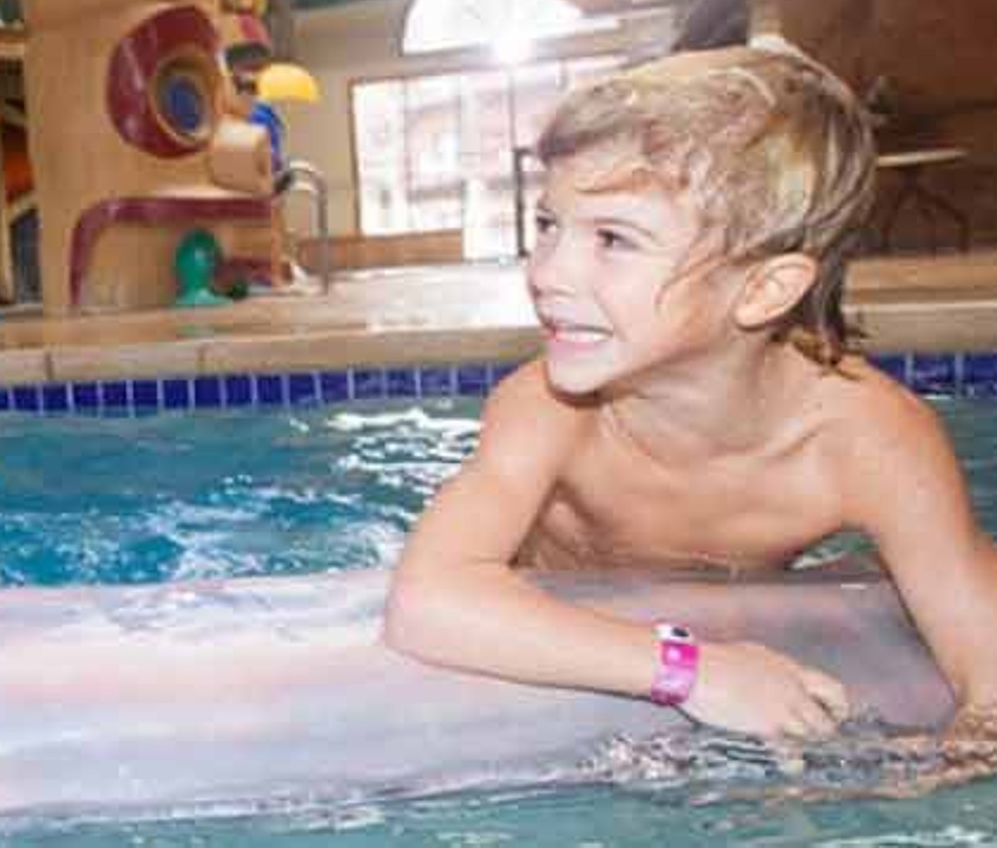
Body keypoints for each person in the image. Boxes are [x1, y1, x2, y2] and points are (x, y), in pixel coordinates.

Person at [385, 45, 997, 744]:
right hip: (573, 622)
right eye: (549, 224)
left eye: (613, 239)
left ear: (765, 289)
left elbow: (988, 671)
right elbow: (428, 601)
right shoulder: (550, 409)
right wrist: (694, 671)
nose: (548, 273)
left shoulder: (869, 440)